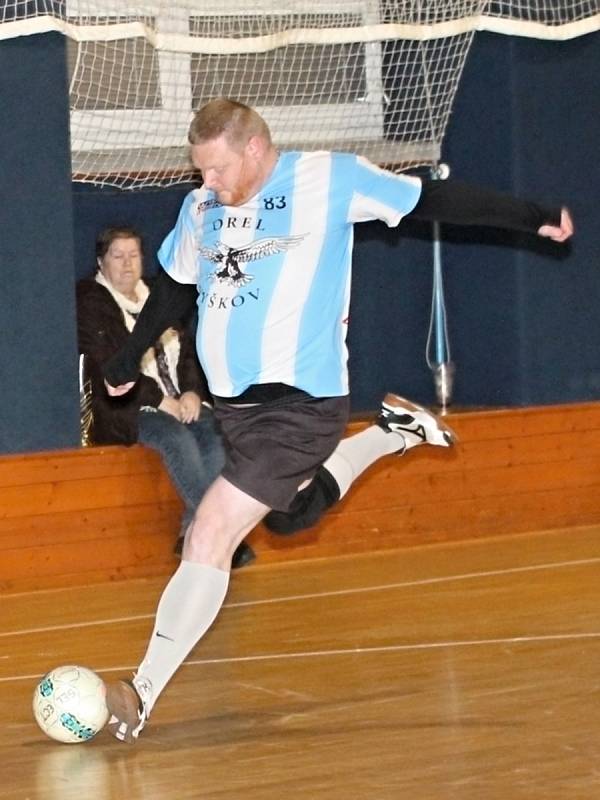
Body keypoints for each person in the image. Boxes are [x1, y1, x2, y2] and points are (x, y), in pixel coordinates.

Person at [101, 99, 574, 743]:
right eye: (198, 171)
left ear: (254, 150)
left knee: (210, 530)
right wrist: (128, 356)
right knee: (293, 515)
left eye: (214, 169)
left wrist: (534, 216)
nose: (204, 183)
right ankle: (391, 433)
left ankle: (140, 693)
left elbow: (432, 201)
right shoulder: (201, 208)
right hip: (236, 411)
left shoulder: (329, 178)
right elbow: (177, 286)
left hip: (300, 403)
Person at [76, 225, 255, 569]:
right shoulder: (90, 302)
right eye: (118, 256)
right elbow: (108, 363)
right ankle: (216, 535)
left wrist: (191, 391)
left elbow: (188, 351)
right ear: (101, 262)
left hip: (178, 398)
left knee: (215, 432)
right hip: (128, 406)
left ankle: (193, 532)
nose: (128, 265)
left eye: (134, 255)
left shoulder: (158, 296)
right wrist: (160, 400)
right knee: (175, 437)